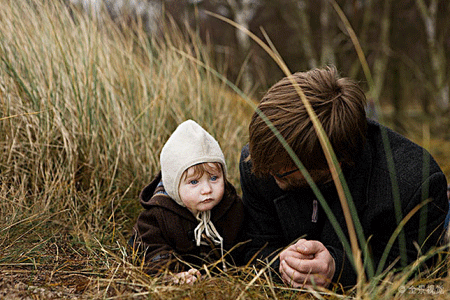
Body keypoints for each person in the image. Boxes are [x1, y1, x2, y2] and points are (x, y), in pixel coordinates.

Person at [239, 66, 449, 290]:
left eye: (281, 171)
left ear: (332, 164)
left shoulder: (413, 184)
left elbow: (415, 275)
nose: (266, 173)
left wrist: (337, 270)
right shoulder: (258, 162)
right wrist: (284, 264)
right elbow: (253, 249)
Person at [130, 120, 244, 284]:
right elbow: (149, 248)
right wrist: (172, 273)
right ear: (174, 186)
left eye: (214, 178)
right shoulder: (157, 215)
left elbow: (245, 246)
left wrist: (234, 271)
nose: (206, 189)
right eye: (194, 182)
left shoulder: (233, 207)